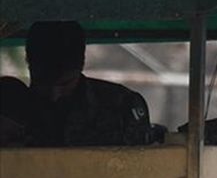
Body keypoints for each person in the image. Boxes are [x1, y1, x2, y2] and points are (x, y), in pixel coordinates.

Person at [22, 21, 159, 147]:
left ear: (81, 66)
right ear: (28, 63)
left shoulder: (121, 105)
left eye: (65, 84)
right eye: (42, 82)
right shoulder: (15, 107)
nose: (54, 95)